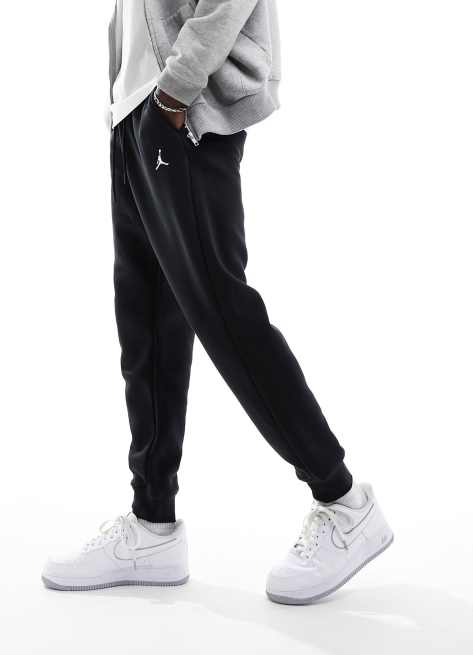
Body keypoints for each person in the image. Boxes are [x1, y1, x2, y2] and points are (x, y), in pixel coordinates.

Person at [42, 0, 393, 605]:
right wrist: (135, 105)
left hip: (180, 108)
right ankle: (152, 523)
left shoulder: (176, 98)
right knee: (147, 325)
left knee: (225, 313)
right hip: (135, 113)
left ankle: (344, 502)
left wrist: (174, 92)